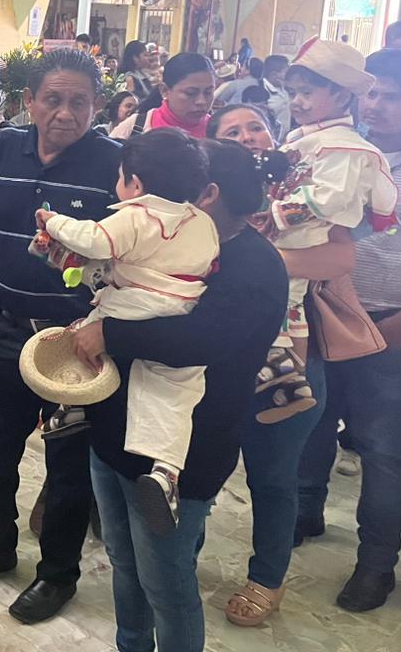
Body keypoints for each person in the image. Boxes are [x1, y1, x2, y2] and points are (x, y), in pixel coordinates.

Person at [78, 138, 288, 652]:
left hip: (181, 453)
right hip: (114, 427)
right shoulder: (163, 245)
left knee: (167, 584)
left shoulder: (254, 265)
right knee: (124, 564)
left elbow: (203, 342)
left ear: (207, 194)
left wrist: (110, 333)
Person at [0, 48, 119, 625]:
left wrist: (101, 326)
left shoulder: (115, 164)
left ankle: (57, 576)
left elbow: (133, 259)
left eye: (80, 102)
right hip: (10, 331)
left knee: (68, 471)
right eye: (53, 99)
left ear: (97, 106)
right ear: (30, 102)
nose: (65, 113)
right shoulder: (1, 148)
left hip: (77, 347)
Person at [296, 48, 401, 613]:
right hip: (320, 310)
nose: (376, 105)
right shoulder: (338, 150)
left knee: (382, 447)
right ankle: (304, 514)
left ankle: (377, 564)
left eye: (391, 96)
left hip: (390, 323)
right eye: (372, 93)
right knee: (310, 425)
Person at [34, 130, 219, 532]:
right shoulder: (202, 221)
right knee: (176, 394)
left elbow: (95, 241)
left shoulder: (138, 214)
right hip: (180, 309)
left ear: (134, 182)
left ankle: (75, 404)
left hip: (132, 305)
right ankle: (165, 473)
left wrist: (54, 221)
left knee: (83, 333)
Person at [204, 104, 334, 627]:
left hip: (285, 355)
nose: (246, 136)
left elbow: (339, 258)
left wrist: (260, 260)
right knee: (199, 467)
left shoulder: (303, 201)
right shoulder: (196, 205)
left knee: (274, 477)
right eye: (230, 131)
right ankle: (181, 551)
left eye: (254, 126)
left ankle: (267, 578)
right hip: (213, 355)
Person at [257, 39, 397, 423]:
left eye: (307, 92)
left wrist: (277, 213)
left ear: (341, 96)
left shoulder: (344, 146)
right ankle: (287, 376)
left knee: (285, 297)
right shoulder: (311, 138)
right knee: (286, 299)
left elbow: (330, 199)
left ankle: (290, 378)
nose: (297, 101)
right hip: (294, 229)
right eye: (293, 92)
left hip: (307, 231)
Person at [110, 52, 214, 139]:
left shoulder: (218, 131)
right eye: (190, 93)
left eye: (208, 92)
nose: (202, 101)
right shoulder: (137, 127)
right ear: (164, 90)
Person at [261, 54, 291, 136]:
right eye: (286, 72)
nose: (289, 76)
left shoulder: (285, 89)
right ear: (274, 75)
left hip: (285, 137)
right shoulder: (261, 91)